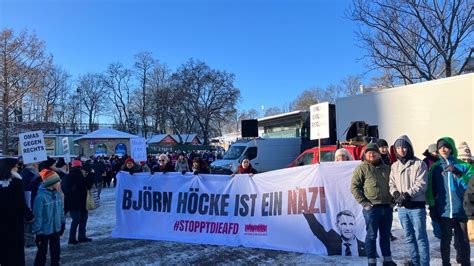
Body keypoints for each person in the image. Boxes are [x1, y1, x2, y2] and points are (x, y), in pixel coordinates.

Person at [427, 137, 474, 266]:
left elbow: (471, 185)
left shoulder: (464, 166)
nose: (443, 149)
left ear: (451, 148)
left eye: (446, 146)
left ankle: (465, 263)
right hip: (444, 211)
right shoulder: (435, 168)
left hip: (461, 210)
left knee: (463, 241)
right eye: (440, 147)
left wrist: (458, 173)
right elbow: (430, 190)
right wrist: (432, 207)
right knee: (445, 240)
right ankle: (445, 263)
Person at [351, 143, 395, 266]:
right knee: (371, 235)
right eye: (368, 152)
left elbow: (393, 185)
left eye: (374, 152)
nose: (371, 154)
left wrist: (393, 201)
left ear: (379, 154)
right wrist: (364, 203)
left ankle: (387, 259)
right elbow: (354, 187)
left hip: (387, 207)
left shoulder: (387, 168)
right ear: (365, 154)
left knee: (385, 235)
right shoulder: (361, 168)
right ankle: (372, 261)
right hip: (372, 209)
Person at [389, 135, 429, 265]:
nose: (402, 150)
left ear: (409, 148)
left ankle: (424, 263)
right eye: (399, 148)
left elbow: (421, 184)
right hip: (402, 209)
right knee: (409, 238)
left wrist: (406, 195)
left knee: (420, 237)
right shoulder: (394, 166)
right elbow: (391, 183)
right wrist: (395, 194)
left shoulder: (419, 164)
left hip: (416, 207)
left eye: (404, 147)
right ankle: (415, 262)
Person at [0, 158, 35, 266]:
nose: (18, 168)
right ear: (9, 167)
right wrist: (29, 215)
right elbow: (21, 202)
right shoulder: (17, 181)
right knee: (15, 248)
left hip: (3, 221)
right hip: (14, 221)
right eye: (15, 166)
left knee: (4, 247)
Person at [32, 169, 66, 266]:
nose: (59, 183)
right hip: (44, 230)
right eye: (57, 181)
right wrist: (38, 232)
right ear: (51, 183)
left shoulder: (58, 194)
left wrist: (62, 223)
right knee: (42, 253)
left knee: (56, 252)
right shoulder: (40, 197)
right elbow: (37, 216)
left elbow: (61, 210)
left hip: (56, 228)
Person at [62, 159, 94, 245]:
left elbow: (88, 186)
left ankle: (81, 236)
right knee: (77, 219)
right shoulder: (72, 175)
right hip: (74, 202)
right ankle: (72, 238)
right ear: (81, 168)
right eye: (85, 172)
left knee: (82, 219)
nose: (86, 174)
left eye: (87, 172)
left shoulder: (81, 176)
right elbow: (65, 188)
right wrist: (71, 191)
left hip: (80, 202)